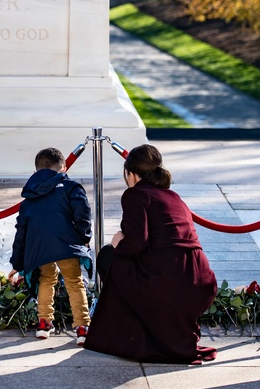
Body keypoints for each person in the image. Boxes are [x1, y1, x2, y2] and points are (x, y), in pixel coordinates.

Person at [84, 144, 218, 364]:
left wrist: (118, 242)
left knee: (109, 256)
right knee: (128, 266)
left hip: (169, 284)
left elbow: (136, 244)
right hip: (201, 284)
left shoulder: (135, 194)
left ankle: (133, 334)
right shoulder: (173, 196)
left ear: (131, 175)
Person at [10, 147, 92, 345]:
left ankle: (44, 324)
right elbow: (82, 212)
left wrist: (17, 262)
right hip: (66, 244)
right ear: (64, 168)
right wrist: (83, 236)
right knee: (74, 282)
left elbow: (21, 232)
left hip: (40, 248)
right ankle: (82, 327)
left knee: (46, 280)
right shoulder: (71, 187)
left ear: (35, 172)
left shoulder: (29, 198)